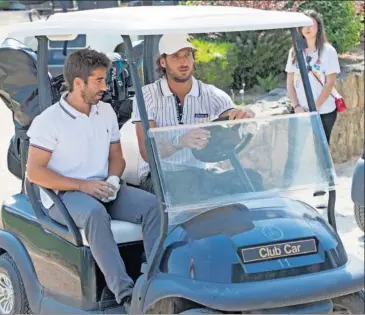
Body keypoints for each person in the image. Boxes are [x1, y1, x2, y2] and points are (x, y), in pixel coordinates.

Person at [26, 48, 160, 311]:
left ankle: (154, 281)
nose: (104, 86)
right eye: (98, 80)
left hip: (102, 186)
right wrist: (82, 185)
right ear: (79, 83)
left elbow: (117, 158)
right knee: (96, 215)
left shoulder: (106, 112)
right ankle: (126, 295)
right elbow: (35, 172)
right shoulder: (49, 121)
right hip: (64, 193)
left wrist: (112, 179)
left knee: (154, 206)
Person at [132, 33, 261, 195]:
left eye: (187, 54)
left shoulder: (211, 93)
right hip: (159, 177)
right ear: (163, 62)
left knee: (252, 180)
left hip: (199, 174)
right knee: (190, 187)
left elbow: (231, 116)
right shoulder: (146, 96)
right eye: (176, 56)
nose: (183, 61)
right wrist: (179, 142)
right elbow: (147, 153)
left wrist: (243, 116)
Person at [285, 10, 341, 207]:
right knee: (295, 149)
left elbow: (329, 83)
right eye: (304, 25)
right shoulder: (294, 52)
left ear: (318, 26)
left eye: (312, 24)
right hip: (299, 111)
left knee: (321, 148)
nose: (308, 28)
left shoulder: (327, 51)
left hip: (323, 110)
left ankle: (323, 190)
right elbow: (290, 82)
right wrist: (296, 106)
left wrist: (313, 108)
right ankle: (288, 188)